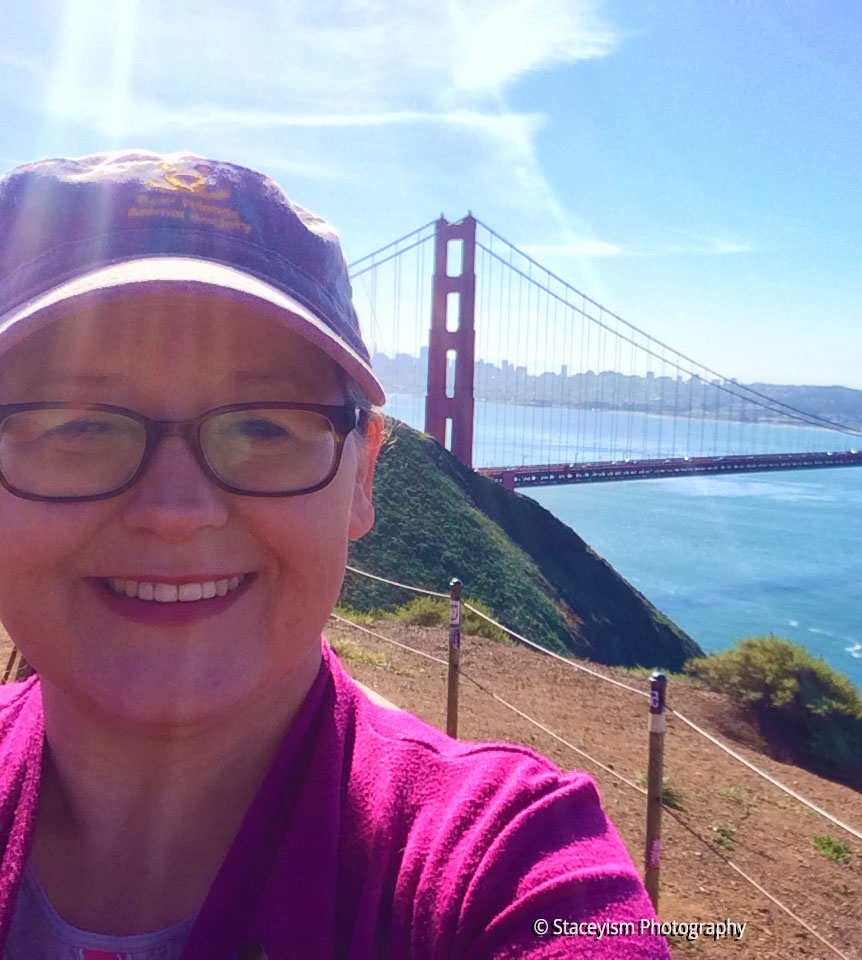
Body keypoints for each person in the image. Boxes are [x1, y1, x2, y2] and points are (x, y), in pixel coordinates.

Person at [0, 151, 670, 959]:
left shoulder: (501, 859)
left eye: (263, 425)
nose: (174, 513)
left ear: (363, 475)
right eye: (75, 424)